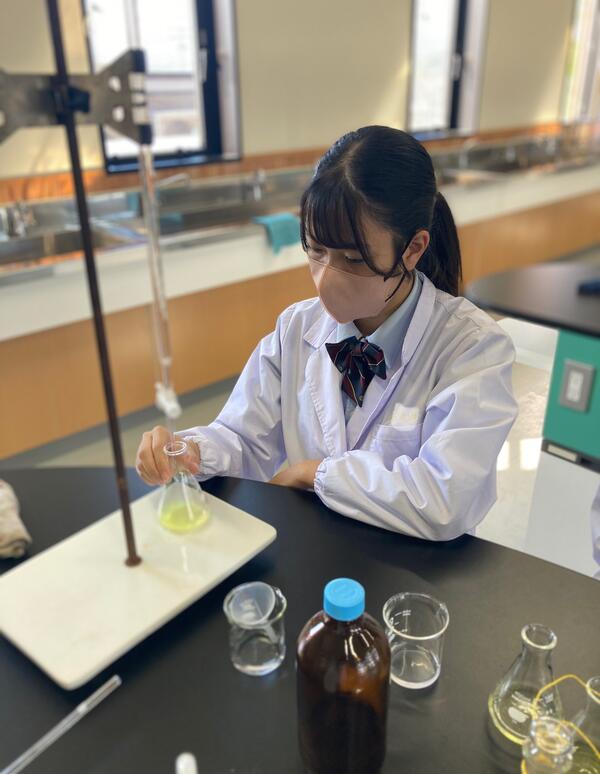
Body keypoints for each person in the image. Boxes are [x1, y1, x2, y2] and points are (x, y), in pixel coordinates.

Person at [136, 126, 517, 541]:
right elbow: (243, 438)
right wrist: (192, 451)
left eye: (353, 259)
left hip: (415, 563)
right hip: (316, 546)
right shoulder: (296, 329)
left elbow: (445, 499)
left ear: (413, 249)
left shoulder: (471, 347)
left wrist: (315, 474)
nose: (326, 279)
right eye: (316, 250)